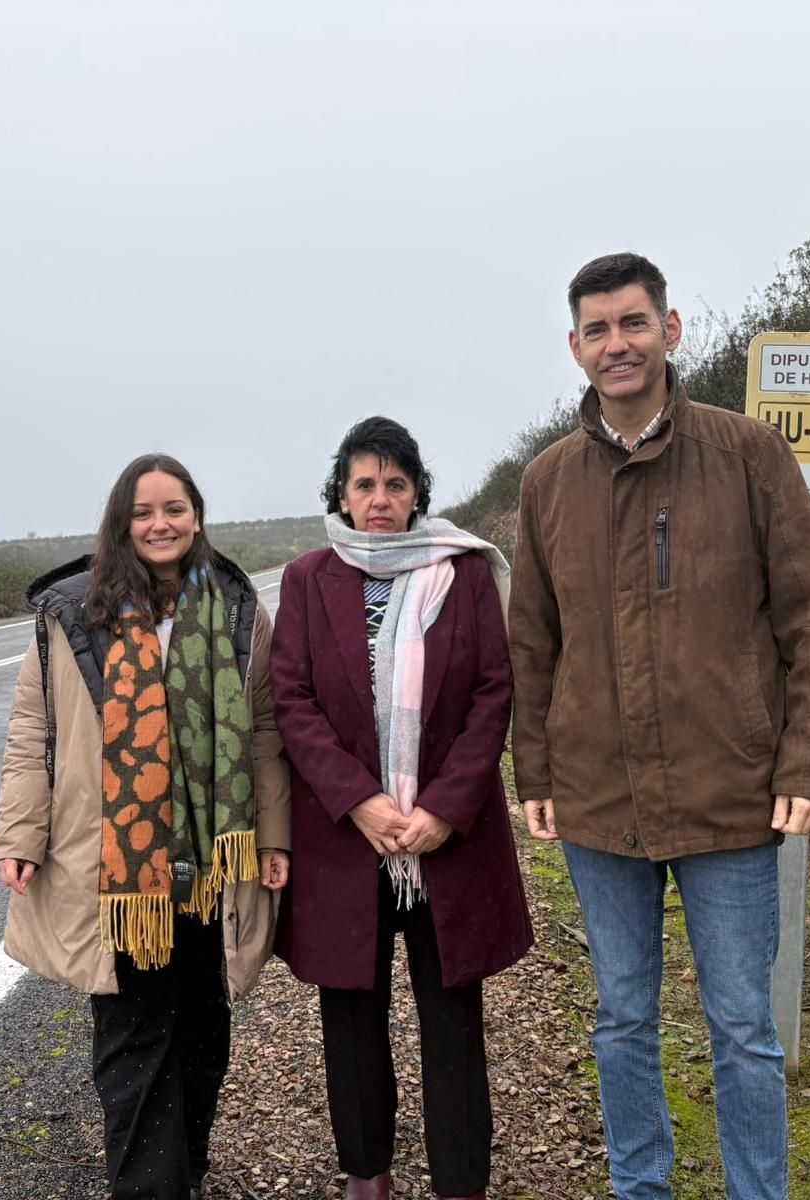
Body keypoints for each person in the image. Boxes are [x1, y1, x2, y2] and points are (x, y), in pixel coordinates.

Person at [508, 253, 810, 1200]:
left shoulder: (749, 454)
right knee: (622, 1017)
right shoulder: (546, 484)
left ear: (669, 330)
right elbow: (532, 646)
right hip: (598, 798)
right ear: (575, 348)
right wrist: (533, 772)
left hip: (732, 796)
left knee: (743, 1024)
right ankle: (641, 1188)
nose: (615, 344)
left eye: (632, 323)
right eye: (596, 329)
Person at [0, 454, 291, 1200]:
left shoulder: (236, 602)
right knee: (132, 1033)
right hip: (118, 864)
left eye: (175, 509)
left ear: (197, 517)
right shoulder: (71, 611)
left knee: (202, 1024)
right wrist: (20, 835)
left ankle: (185, 1167)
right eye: (144, 512)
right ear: (121, 523)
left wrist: (275, 835)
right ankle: (147, 1188)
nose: (161, 524)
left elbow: (262, 729)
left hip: (211, 857)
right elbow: (36, 728)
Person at [271, 417, 533, 1200]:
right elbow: (294, 700)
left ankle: (462, 1181)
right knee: (352, 1015)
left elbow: (494, 692)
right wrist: (358, 801)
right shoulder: (307, 579)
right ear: (341, 496)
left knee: (452, 1015)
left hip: (445, 840)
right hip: (348, 839)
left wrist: (446, 809)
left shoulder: (466, 573)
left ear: (417, 491)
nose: (379, 499)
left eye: (394, 484)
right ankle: (367, 1173)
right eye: (364, 485)